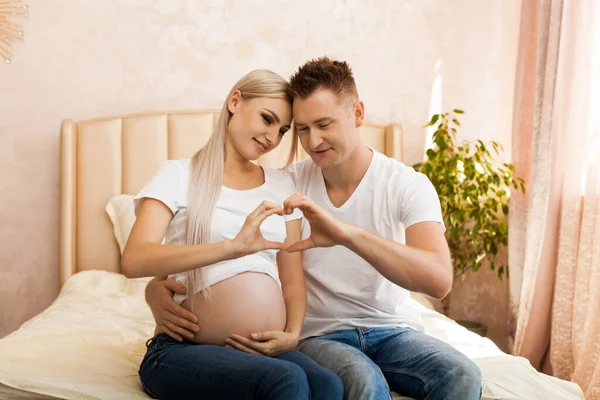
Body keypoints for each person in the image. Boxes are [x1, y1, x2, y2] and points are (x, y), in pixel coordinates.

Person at [145, 57, 482, 400]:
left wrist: (347, 234)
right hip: (320, 334)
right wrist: (153, 291)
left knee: (462, 374)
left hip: (393, 330)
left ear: (358, 114)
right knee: (362, 381)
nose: (313, 140)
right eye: (302, 129)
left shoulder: (407, 185)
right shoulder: (286, 185)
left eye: (323, 124)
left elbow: (439, 281)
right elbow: (215, 230)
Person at [123, 68, 343, 400]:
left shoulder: (282, 185)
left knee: (330, 385)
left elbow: (292, 278)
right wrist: (232, 248)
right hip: (182, 351)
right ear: (235, 101)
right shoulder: (178, 175)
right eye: (267, 119)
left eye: (282, 130)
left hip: (262, 351)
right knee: (287, 381)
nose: (272, 137)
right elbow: (135, 259)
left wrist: (293, 334)